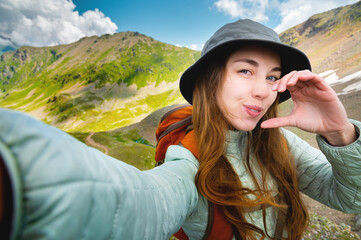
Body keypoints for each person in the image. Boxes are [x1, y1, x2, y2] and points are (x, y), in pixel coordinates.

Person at [0, 19, 360, 240]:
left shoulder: (275, 141)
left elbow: (350, 199)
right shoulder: (187, 158)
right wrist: (26, 172)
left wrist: (340, 132)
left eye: (272, 77)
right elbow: (140, 202)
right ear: (210, 78)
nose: (262, 91)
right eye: (245, 71)